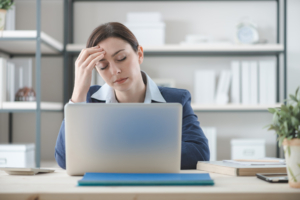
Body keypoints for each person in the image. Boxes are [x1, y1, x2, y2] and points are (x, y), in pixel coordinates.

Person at [55, 22, 210, 170]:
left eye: (121, 58)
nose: (115, 70)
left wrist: (113, 150)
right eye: (103, 66)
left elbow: (199, 153)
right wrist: (78, 92)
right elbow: (64, 159)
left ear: (139, 54)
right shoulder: (87, 99)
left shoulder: (176, 99)